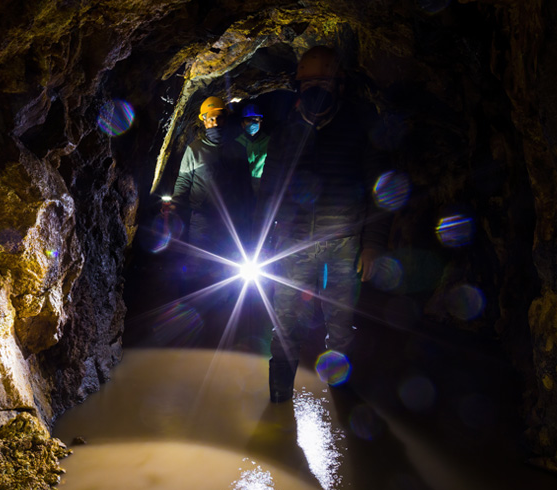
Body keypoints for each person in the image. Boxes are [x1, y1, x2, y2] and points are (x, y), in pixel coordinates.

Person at [257, 46, 391, 402]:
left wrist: (373, 243)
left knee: (340, 324)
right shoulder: (286, 133)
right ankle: (279, 392)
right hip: (292, 243)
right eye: (309, 83)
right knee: (285, 320)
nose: (316, 90)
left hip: (342, 243)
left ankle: (339, 389)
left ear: (340, 86)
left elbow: (381, 190)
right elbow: (269, 192)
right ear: (297, 86)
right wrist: (263, 242)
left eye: (325, 83)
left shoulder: (359, 129)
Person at [165, 96, 254, 296]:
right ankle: (191, 298)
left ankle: (223, 301)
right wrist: (175, 205)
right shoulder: (194, 149)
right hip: (202, 218)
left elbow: (245, 184)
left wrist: (250, 211)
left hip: (229, 219)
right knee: (197, 261)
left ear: (225, 119)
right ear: (204, 121)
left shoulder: (237, 148)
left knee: (227, 262)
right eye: (210, 119)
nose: (214, 123)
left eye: (218, 118)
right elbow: (184, 180)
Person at [235, 104, 270, 197]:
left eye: (255, 120)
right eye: (248, 120)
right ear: (242, 124)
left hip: (264, 184)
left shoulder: (269, 142)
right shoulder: (237, 143)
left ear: (260, 122)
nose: (252, 123)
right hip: (243, 184)